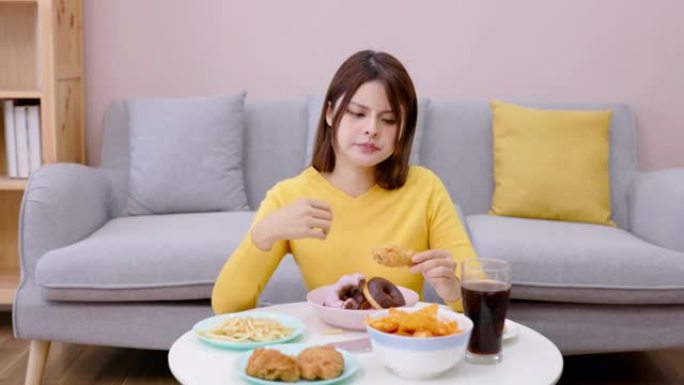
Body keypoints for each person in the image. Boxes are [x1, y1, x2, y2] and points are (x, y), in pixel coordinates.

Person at [212, 50, 478, 314]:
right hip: (327, 342)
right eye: (357, 113)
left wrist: (454, 291)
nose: (372, 129)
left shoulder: (425, 188)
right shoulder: (290, 196)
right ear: (329, 113)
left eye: (388, 119)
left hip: (400, 344)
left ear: (403, 130)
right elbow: (226, 307)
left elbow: (480, 294)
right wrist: (263, 234)